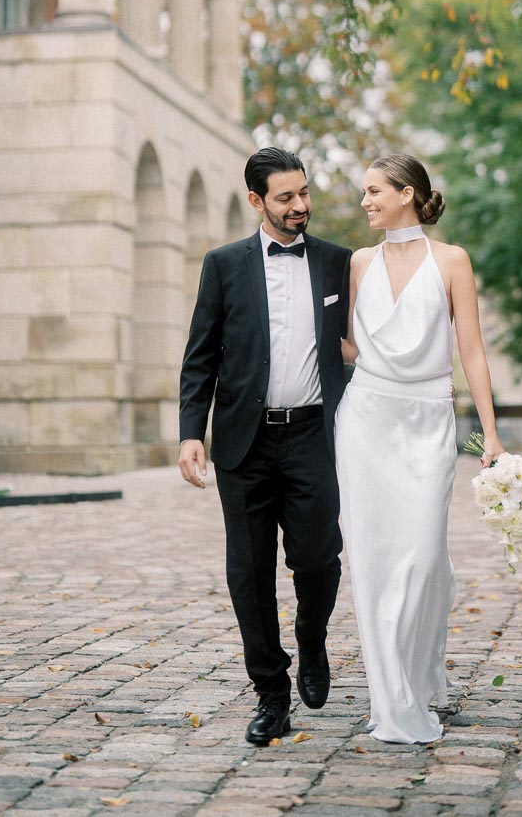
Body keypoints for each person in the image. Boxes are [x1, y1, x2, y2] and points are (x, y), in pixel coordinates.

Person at [178, 147, 351, 746]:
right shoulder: (223, 265)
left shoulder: (337, 263)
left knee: (319, 559)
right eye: (285, 197)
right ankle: (271, 693)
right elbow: (200, 357)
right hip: (243, 445)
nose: (300, 205)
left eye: (304, 193)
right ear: (257, 201)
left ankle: (312, 636)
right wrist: (189, 435)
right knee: (249, 573)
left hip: (312, 437)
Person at [335, 153, 504, 745]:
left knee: (427, 557)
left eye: (374, 191)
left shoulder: (452, 261)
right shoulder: (358, 263)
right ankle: (394, 697)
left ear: (407, 193)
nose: (365, 202)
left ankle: (423, 674)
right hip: (365, 420)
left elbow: (473, 352)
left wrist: (491, 434)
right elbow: (349, 347)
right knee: (376, 561)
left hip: (429, 419)